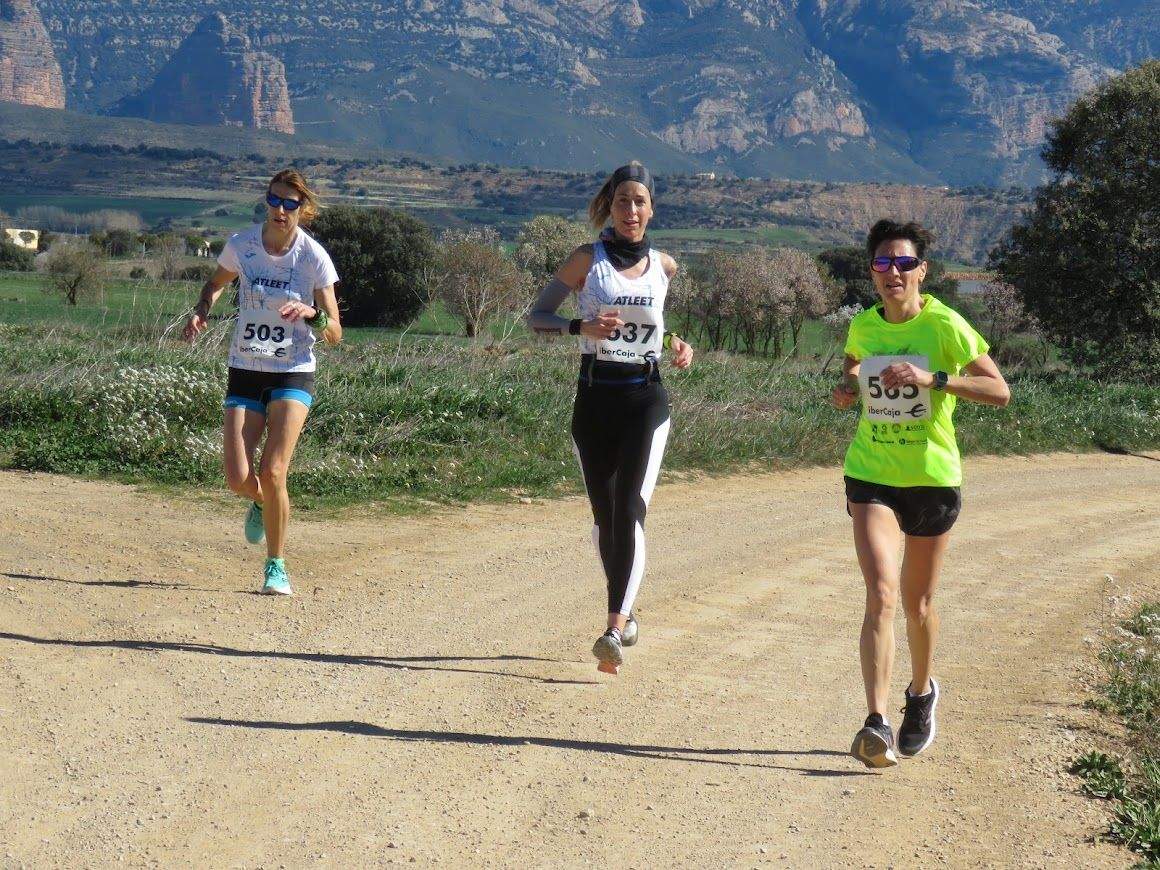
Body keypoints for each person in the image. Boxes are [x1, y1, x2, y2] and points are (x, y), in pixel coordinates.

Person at [832, 219, 1010, 767]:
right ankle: (876, 722)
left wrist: (934, 380)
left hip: (932, 480)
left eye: (904, 263)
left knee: (918, 604)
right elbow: (850, 379)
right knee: (881, 595)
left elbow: (999, 391)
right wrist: (845, 391)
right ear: (872, 272)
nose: (893, 272)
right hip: (872, 473)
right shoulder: (863, 326)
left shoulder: (945, 326)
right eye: (883, 263)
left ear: (921, 271)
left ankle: (921, 692)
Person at [527, 162, 694, 674]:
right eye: (623, 201)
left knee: (630, 508)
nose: (632, 210)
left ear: (651, 209)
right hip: (594, 397)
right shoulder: (586, 260)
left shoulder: (664, 267)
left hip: (646, 399)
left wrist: (677, 345)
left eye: (640, 201)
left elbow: (652, 331)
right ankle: (626, 608)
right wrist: (582, 324)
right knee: (604, 517)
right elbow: (537, 317)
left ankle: (614, 626)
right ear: (611, 205)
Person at [183, 169, 341, 595]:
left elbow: (335, 331)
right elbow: (214, 285)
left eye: (290, 204)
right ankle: (260, 502)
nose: (280, 210)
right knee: (238, 479)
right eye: (274, 200)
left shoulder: (313, 257)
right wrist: (202, 310)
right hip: (246, 369)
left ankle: (276, 565)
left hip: (293, 371)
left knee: (273, 471)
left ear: (303, 210)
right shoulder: (242, 246)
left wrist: (311, 314)